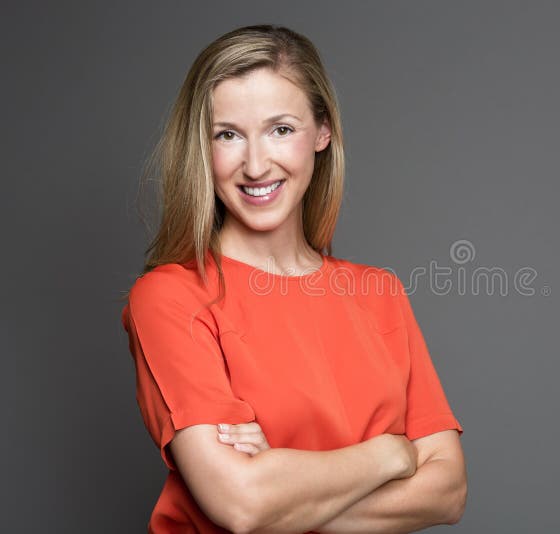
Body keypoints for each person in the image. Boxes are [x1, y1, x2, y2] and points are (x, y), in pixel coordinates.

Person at [120, 24, 466, 534]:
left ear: (322, 132)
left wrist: (282, 487)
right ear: (202, 146)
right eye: (228, 134)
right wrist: (390, 455)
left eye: (281, 129)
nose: (256, 165)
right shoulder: (170, 298)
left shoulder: (379, 294)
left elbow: (449, 491)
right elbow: (242, 505)